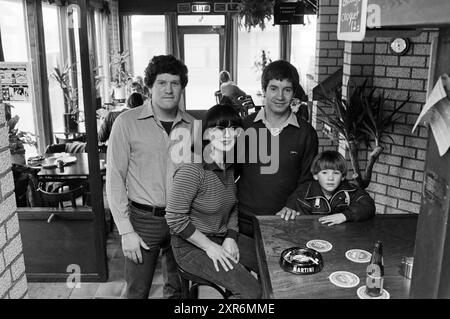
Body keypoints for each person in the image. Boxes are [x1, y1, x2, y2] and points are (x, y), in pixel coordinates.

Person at [106, 55, 196, 299]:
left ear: (182, 87)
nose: (169, 89)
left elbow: (198, 176)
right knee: (137, 291)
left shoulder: (192, 126)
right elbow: (114, 178)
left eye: (175, 83)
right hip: (143, 221)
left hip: (181, 220)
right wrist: (125, 230)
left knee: (178, 291)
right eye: (161, 83)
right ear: (149, 86)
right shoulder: (127, 123)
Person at [165, 104, 261, 299]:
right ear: (207, 134)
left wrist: (231, 237)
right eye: (220, 129)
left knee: (267, 264)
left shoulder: (230, 165)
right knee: (252, 291)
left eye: (234, 129)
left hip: (221, 236)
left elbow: (232, 207)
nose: (228, 134)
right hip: (190, 245)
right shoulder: (193, 169)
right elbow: (174, 218)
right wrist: (209, 246)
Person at [237, 60, 319, 237]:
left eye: (287, 90)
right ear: (264, 90)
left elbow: (308, 179)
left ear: (293, 93)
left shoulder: (306, 133)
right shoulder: (244, 127)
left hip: (285, 220)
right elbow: (231, 172)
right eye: (274, 88)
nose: (280, 96)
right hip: (243, 220)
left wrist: (293, 204)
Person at [291, 150, 375, 225]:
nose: (330, 178)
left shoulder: (351, 190)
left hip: (343, 238)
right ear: (315, 175)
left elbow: (369, 206)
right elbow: (301, 224)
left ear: (342, 176)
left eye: (336, 173)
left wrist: (345, 216)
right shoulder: (304, 193)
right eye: (324, 173)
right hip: (314, 238)